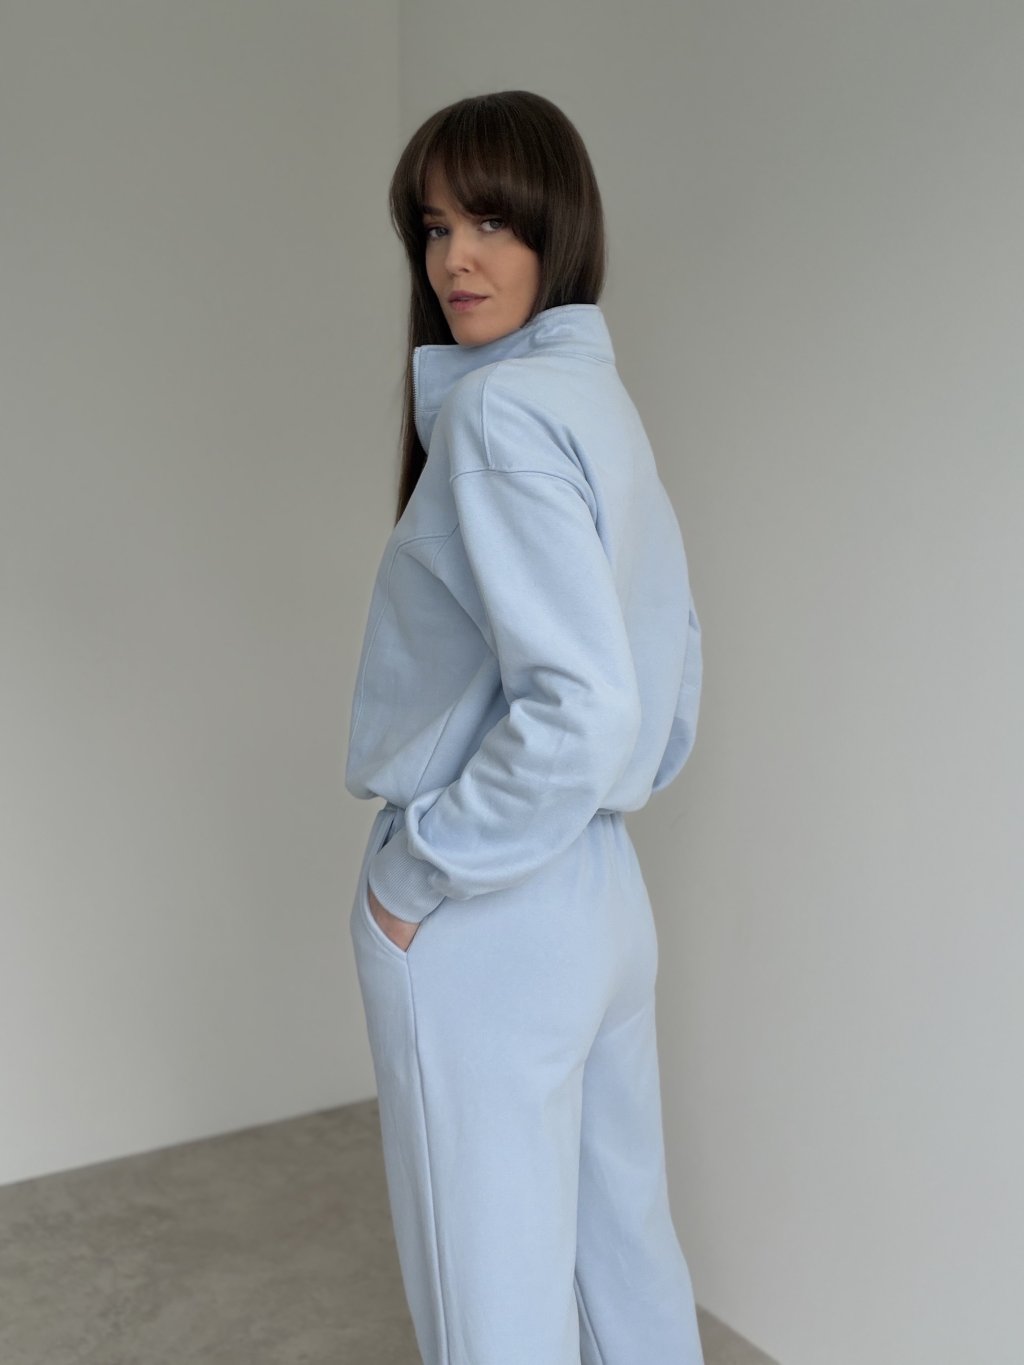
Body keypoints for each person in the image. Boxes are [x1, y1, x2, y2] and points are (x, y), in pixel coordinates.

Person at [344, 89, 705, 1365]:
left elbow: (582, 705)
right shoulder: (597, 401)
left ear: (558, 224)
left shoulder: (500, 415)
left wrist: (416, 875)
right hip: (602, 893)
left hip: (487, 919)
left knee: (491, 1314)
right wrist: (599, 799)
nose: (455, 258)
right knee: (627, 1274)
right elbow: (666, 670)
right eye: (435, 226)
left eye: (491, 221)